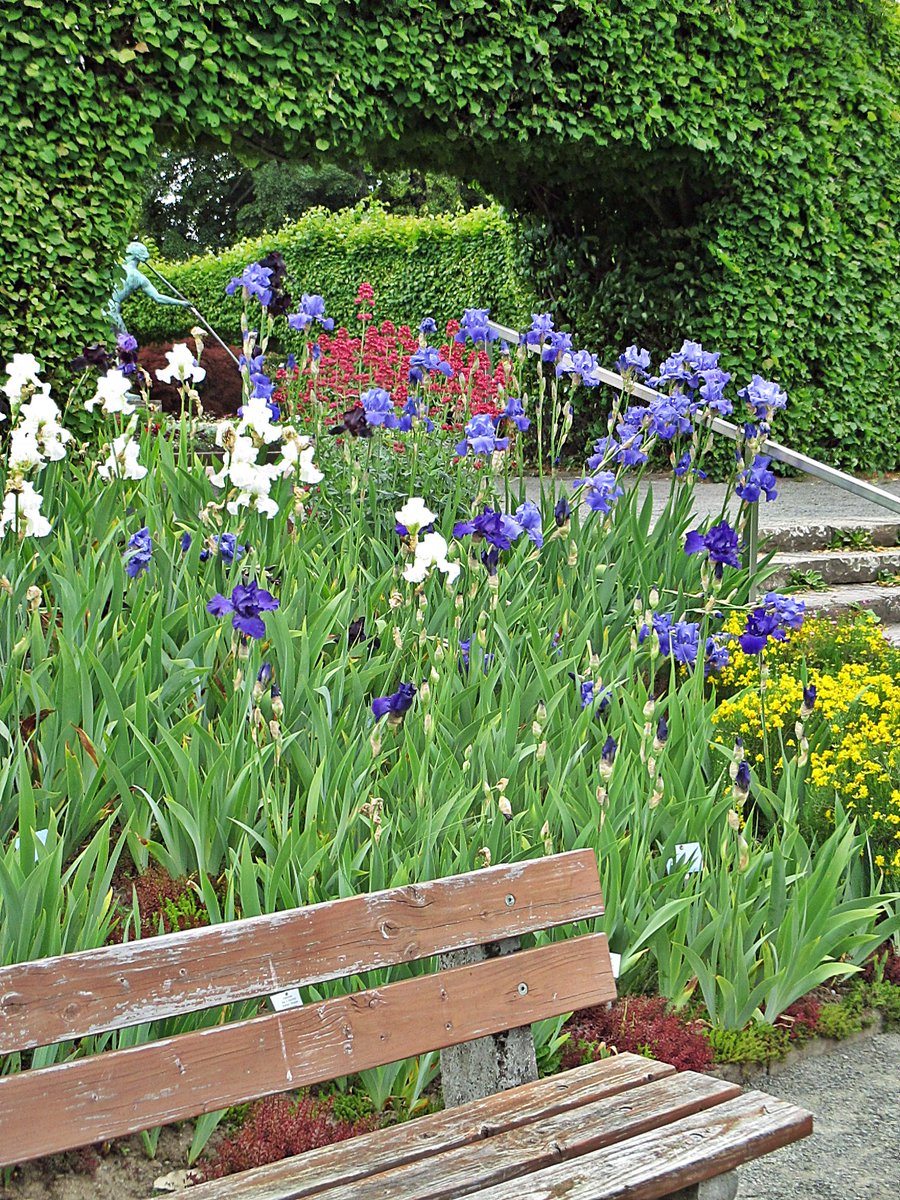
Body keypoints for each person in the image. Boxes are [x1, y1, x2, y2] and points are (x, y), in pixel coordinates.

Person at [107, 241, 191, 333]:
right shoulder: (140, 278)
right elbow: (158, 298)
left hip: (103, 307)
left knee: (116, 343)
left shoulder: (115, 267)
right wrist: (181, 303)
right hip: (113, 310)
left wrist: (181, 303)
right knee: (125, 343)